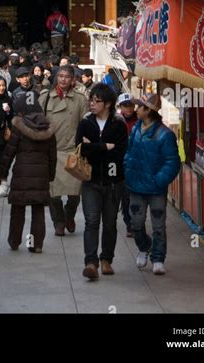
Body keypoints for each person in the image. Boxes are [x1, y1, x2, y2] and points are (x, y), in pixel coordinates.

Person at [124, 93, 180, 276]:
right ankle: (143, 247)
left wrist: (159, 180)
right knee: (136, 223)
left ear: (148, 110)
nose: (136, 109)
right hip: (135, 186)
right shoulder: (135, 129)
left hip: (156, 189)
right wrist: (128, 168)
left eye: (139, 106)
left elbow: (172, 162)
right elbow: (128, 151)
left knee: (158, 225)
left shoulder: (165, 135)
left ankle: (158, 258)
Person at [76, 85, 128, 280]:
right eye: (91, 99)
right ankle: (91, 262)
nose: (92, 103)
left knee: (110, 223)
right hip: (90, 180)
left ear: (108, 104)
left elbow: (120, 151)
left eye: (96, 101)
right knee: (91, 222)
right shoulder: (85, 123)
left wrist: (94, 147)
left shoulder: (118, 124)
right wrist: (105, 146)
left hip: (114, 181)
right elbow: (80, 149)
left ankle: (107, 259)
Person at [0, 92, 57, 253]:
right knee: (38, 210)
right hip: (42, 175)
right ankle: (36, 244)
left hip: (21, 175)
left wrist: (3, 173)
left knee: (18, 208)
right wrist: (50, 175)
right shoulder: (48, 129)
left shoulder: (18, 127)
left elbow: (9, 152)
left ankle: (14, 241)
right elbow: (53, 155)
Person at [38, 65, 88, 236]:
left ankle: (70, 214)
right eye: (60, 76)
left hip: (73, 150)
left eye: (67, 76)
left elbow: (85, 124)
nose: (63, 79)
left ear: (73, 79)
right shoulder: (45, 97)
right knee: (53, 193)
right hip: (53, 150)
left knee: (75, 191)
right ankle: (58, 221)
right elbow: (39, 124)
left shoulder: (81, 99)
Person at [116, 93, 139, 236]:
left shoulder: (141, 120)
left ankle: (137, 220)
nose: (128, 108)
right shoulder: (116, 121)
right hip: (122, 163)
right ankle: (129, 223)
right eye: (125, 106)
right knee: (126, 196)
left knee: (137, 194)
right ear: (120, 107)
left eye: (130, 105)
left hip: (138, 162)